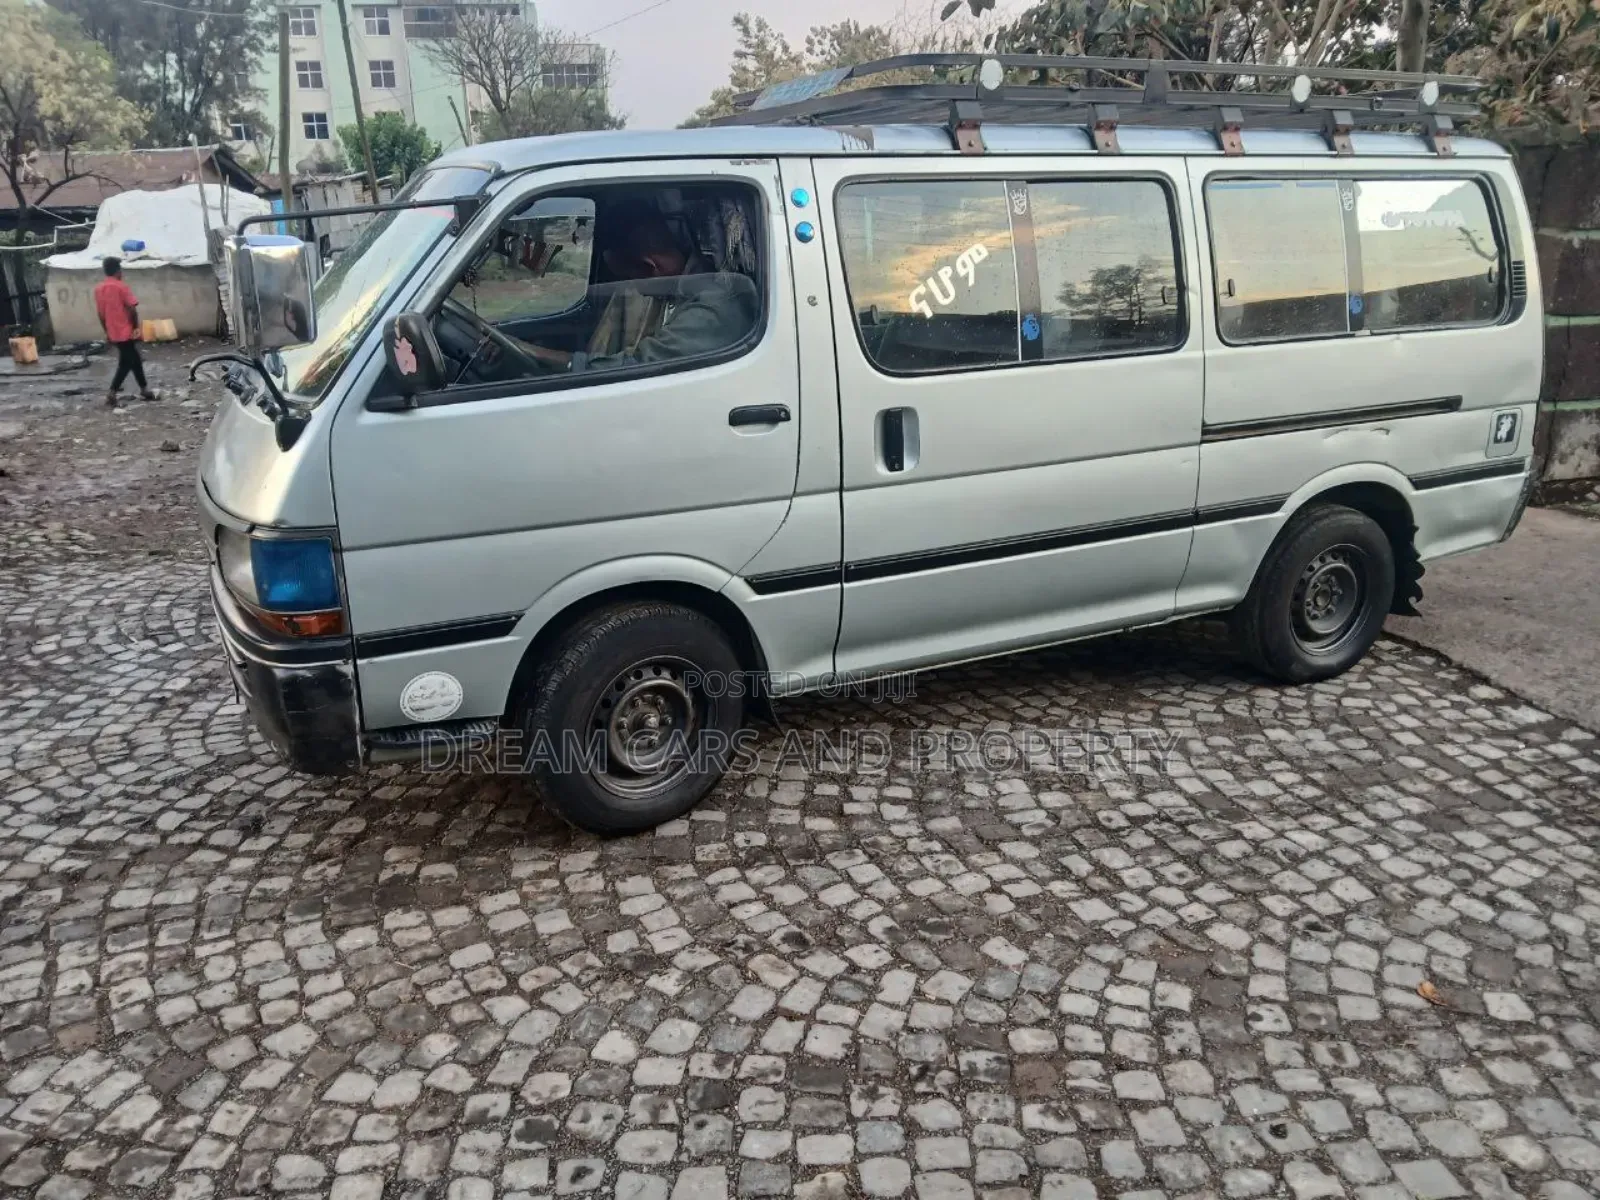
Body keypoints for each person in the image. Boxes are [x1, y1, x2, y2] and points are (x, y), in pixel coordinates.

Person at [513, 206, 756, 374]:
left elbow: (639, 365)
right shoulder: (677, 292)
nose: (634, 290)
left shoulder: (712, 309)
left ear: (650, 266)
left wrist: (538, 355)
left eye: (630, 278)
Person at [93, 257, 159, 406]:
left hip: (113, 331)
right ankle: (112, 392)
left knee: (134, 359)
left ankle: (144, 389)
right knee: (127, 361)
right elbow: (132, 309)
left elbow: (101, 314)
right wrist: (135, 328)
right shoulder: (121, 287)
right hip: (126, 330)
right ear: (117, 271)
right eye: (120, 270)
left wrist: (107, 331)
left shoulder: (99, 289)